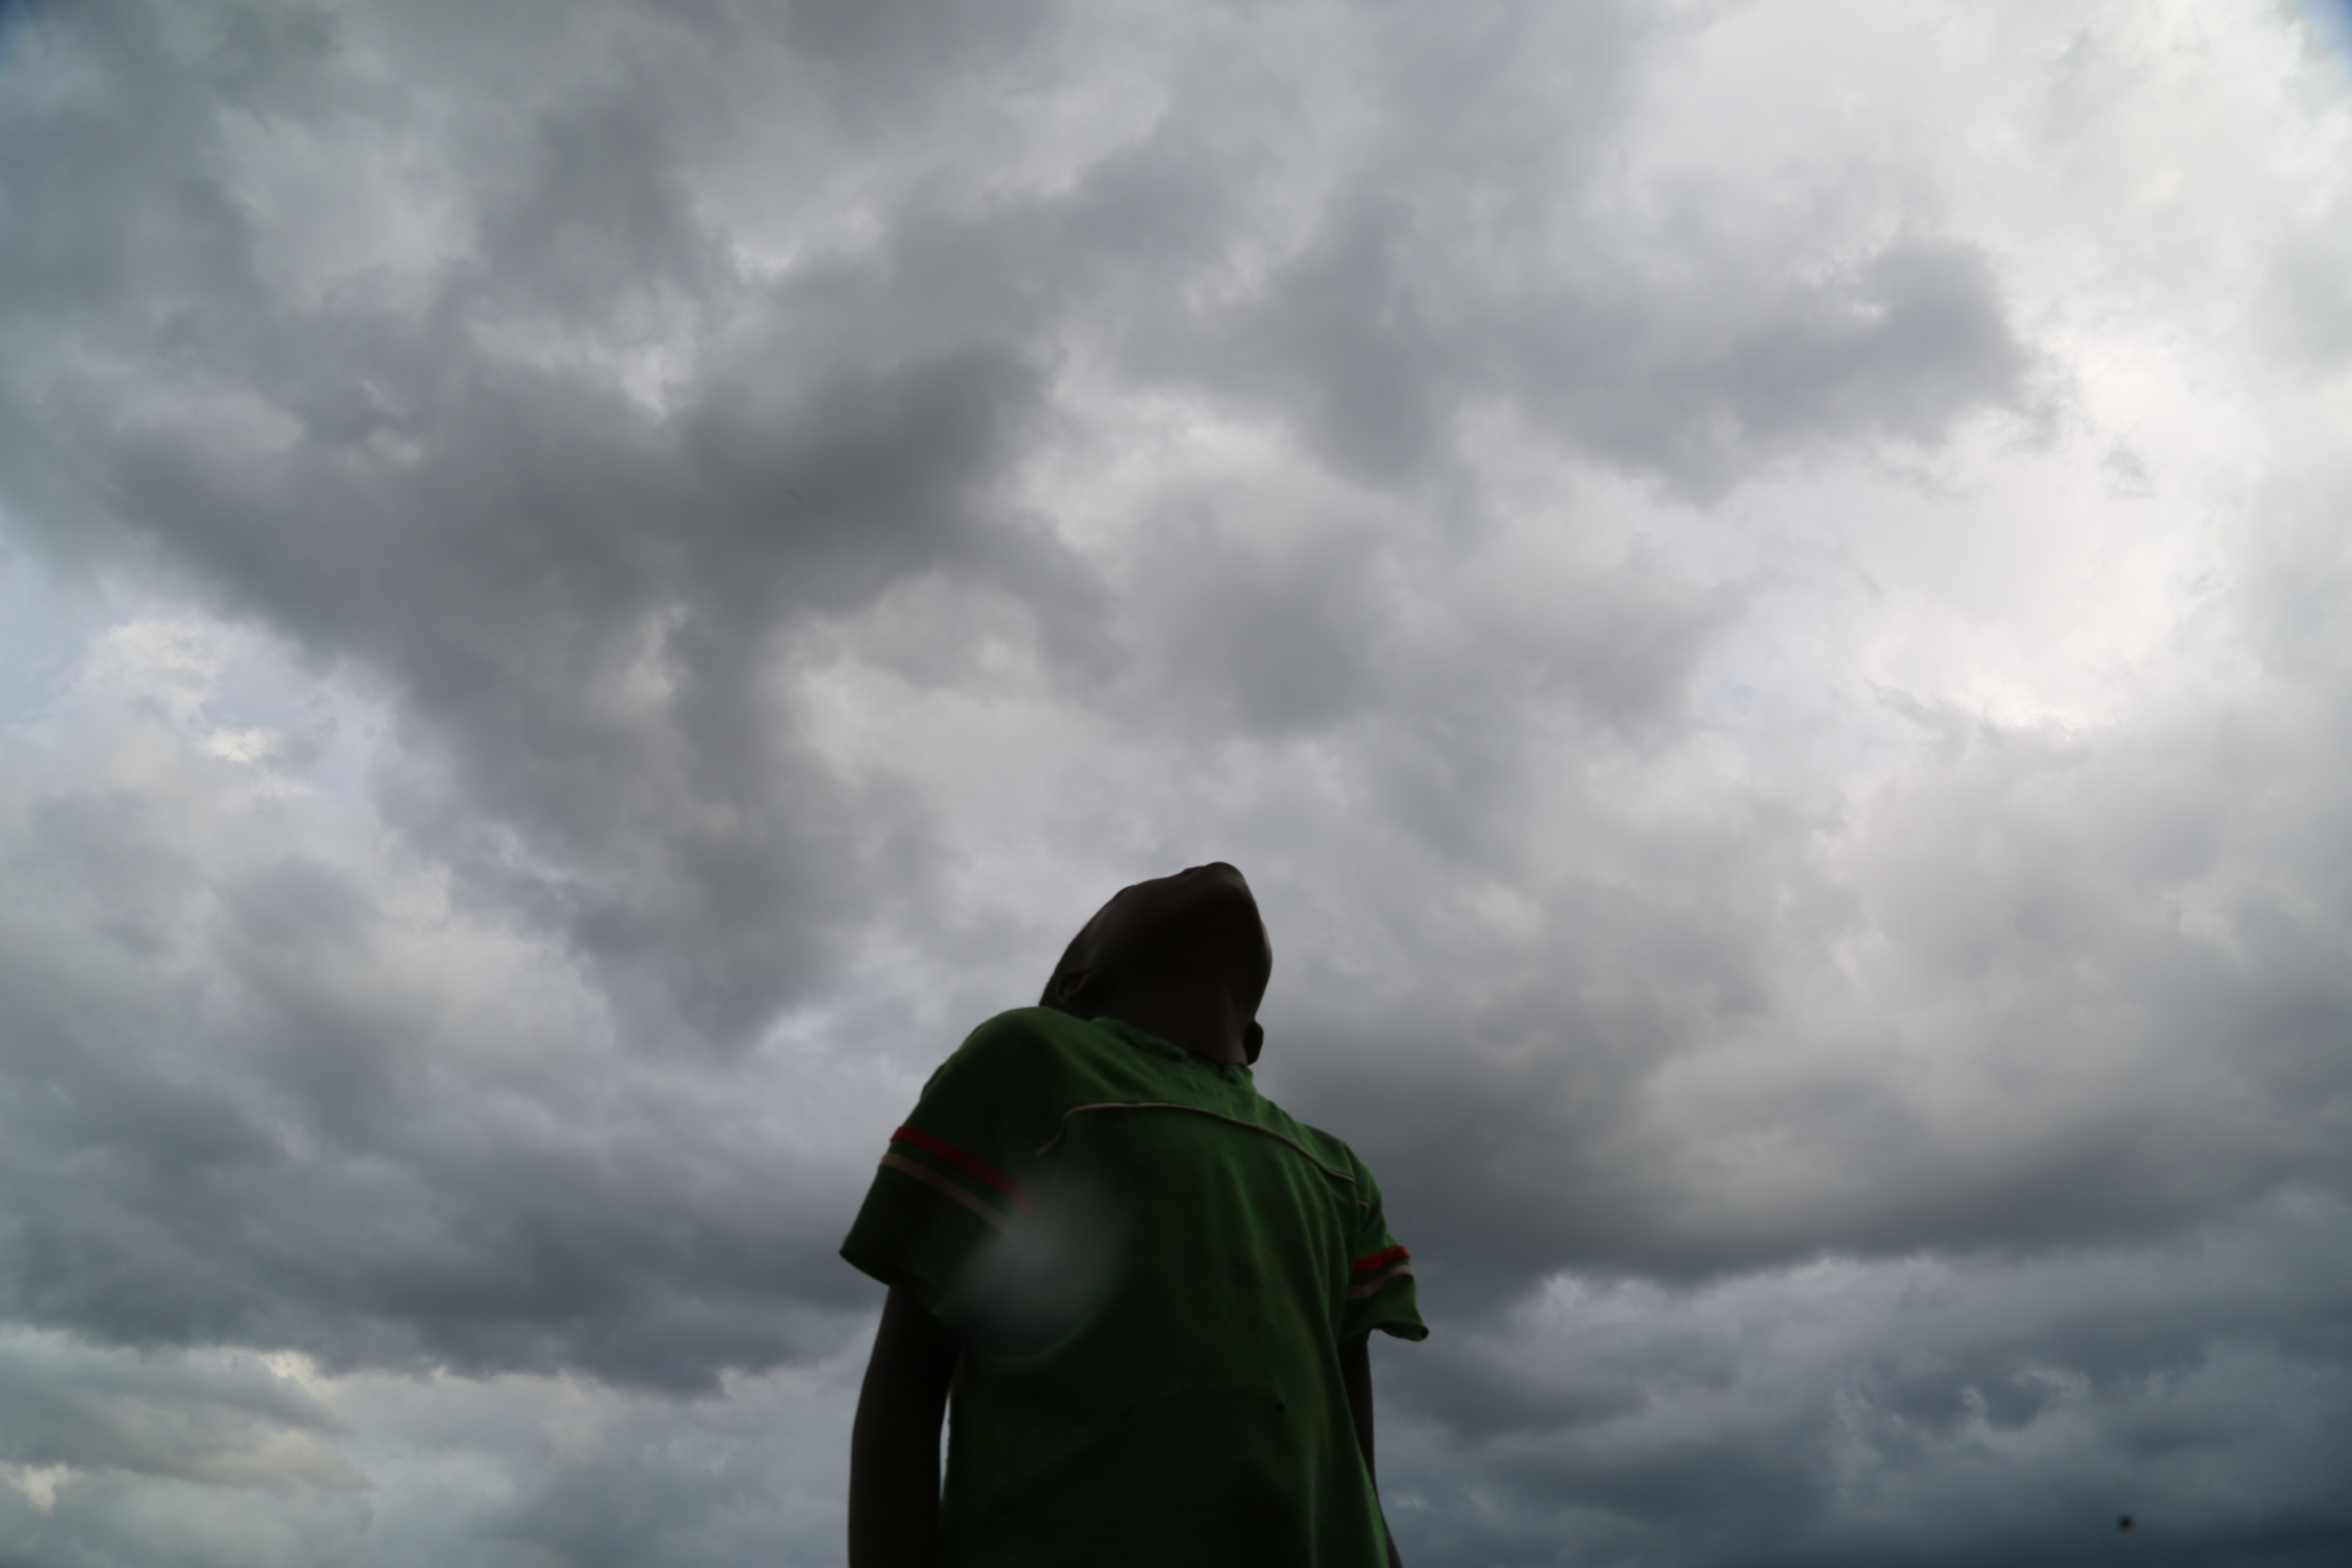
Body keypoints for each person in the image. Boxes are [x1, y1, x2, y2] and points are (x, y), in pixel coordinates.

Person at [841, 862, 1425, 1567]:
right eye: (1133, 893)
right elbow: (904, 1396)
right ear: (1075, 987)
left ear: (1256, 1037)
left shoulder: (1340, 1173)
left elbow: (1355, 1466)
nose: (1201, 869)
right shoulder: (1031, 1058)